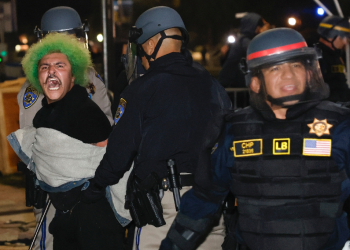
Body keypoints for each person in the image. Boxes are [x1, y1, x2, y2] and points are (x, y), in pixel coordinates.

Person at [160, 28, 350, 250]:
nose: (288, 75)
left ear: (309, 72)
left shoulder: (340, 126)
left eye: (296, 65)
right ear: (255, 81)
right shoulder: (234, 132)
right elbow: (203, 200)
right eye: (275, 67)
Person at [82, 6, 231, 250]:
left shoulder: (142, 89)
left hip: (165, 207)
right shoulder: (213, 85)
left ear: (150, 45)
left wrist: (96, 187)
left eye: (141, 49)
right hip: (210, 204)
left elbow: (120, 151)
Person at [12, 32, 123, 250]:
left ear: (74, 76)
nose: (51, 71)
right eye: (44, 67)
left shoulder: (87, 113)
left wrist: (91, 191)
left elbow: (107, 160)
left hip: (94, 222)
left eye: (59, 66)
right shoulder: (43, 115)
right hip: (63, 218)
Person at [219, 13, 270, 88]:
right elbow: (260, 55)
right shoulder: (244, 41)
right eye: (262, 26)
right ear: (256, 28)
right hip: (233, 83)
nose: (265, 28)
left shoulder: (244, 40)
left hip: (234, 83)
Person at [317, 15, 350, 102]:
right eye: (342, 38)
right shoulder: (317, 57)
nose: (345, 42)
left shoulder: (336, 56)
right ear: (332, 36)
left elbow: (341, 85)